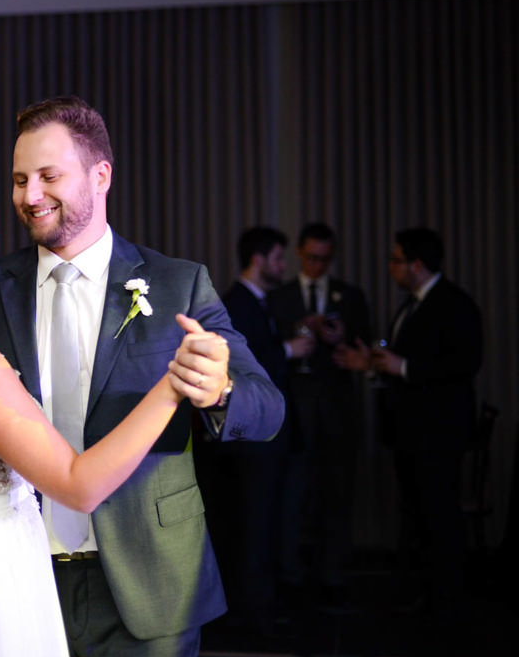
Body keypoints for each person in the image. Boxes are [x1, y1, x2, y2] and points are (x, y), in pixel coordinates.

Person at [0, 97, 284, 657]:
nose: (29, 196)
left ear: (101, 175)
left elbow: (268, 406)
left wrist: (219, 388)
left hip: (147, 581)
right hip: (13, 583)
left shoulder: (178, 284)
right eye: (20, 179)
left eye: (49, 176)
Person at [336, 227, 482, 616]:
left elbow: (466, 362)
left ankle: (447, 601)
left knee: (439, 514)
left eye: (396, 259)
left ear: (416, 265)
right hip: (410, 431)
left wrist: (405, 366)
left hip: (438, 432)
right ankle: (425, 593)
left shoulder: (453, 303)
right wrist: (372, 364)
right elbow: (401, 364)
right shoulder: (412, 303)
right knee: (418, 513)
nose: (391, 267)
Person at [199, 227, 310, 634]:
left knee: (258, 520)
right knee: (252, 522)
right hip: (250, 442)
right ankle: (253, 611)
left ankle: (257, 604)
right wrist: (287, 351)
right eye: (280, 259)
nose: (284, 267)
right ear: (259, 260)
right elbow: (237, 362)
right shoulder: (236, 303)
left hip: (260, 439)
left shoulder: (255, 302)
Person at [267, 222, 371, 603]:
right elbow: (264, 346)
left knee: (337, 494)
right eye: (311, 258)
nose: (317, 265)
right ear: (299, 253)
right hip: (294, 408)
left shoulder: (351, 296)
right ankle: (290, 574)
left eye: (324, 260)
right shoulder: (281, 296)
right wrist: (298, 331)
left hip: (337, 409)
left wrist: (340, 336)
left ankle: (334, 575)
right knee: (293, 494)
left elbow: (367, 343)